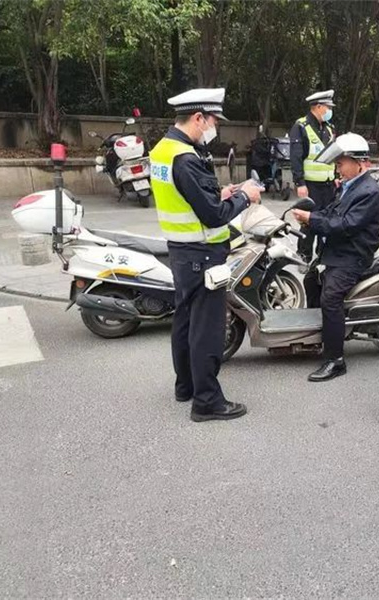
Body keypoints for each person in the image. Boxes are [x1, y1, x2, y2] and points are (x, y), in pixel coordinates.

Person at [149, 88, 262, 422]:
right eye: (214, 121)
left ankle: (185, 386)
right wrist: (245, 197)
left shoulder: (163, 149)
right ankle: (207, 401)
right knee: (208, 330)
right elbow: (213, 216)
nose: (215, 128)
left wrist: (220, 192)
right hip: (203, 255)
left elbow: (185, 196)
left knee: (185, 322)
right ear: (198, 118)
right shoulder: (186, 158)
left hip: (181, 251)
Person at [291, 133, 379, 382]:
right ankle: (317, 338)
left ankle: (335, 360)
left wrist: (312, 219)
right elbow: (331, 213)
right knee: (310, 280)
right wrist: (311, 217)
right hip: (338, 251)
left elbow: (345, 225)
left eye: (341, 163)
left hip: (353, 256)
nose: (338, 169)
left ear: (360, 163)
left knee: (330, 298)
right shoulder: (348, 186)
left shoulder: (369, 192)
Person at [289, 89, 337, 263]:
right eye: (327, 107)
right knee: (307, 221)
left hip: (329, 185)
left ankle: (322, 254)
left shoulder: (329, 128)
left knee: (326, 220)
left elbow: (334, 155)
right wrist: (299, 183)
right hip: (310, 185)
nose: (330, 111)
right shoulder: (301, 126)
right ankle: (304, 255)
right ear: (318, 107)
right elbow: (295, 157)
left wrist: (336, 176)